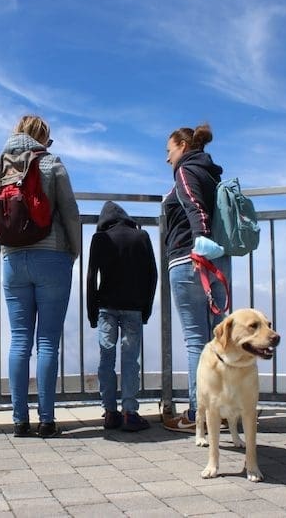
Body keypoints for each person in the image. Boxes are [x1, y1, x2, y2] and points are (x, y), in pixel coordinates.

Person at [0, 115, 81, 438]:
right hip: (52, 256)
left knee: (19, 341)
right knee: (47, 341)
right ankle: (47, 421)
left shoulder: (1, 163)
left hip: (13, 258)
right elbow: (69, 210)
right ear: (43, 138)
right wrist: (73, 250)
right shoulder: (51, 162)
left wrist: (7, 250)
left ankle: (19, 420)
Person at [161, 123, 231, 432]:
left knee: (196, 342)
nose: (167, 159)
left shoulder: (185, 170)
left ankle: (197, 414)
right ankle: (225, 410)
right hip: (220, 261)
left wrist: (199, 242)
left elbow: (192, 204)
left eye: (169, 150)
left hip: (191, 259)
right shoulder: (213, 173)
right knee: (220, 339)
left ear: (183, 147)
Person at [87, 201, 158, 432]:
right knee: (130, 360)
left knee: (106, 359)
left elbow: (91, 278)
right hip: (134, 308)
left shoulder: (100, 239)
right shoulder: (142, 236)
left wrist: (91, 313)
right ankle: (130, 412)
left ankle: (109, 412)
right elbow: (152, 275)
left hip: (106, 307)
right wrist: (146, 309)